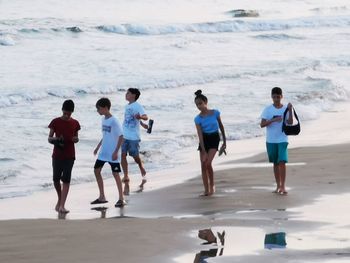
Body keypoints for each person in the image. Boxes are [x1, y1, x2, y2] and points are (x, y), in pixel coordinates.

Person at [91, 98, 126, 207]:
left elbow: (121, 137)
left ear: (105, 107)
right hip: (103, 152)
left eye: (99, 109)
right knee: (96, 171)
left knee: (115, 174)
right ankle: (102, 197)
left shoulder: (114, 120)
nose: (98, 111)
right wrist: (97, 147)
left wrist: (116, 151)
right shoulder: (103, 120)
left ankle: (121, 198)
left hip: (112, 153)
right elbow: (105, 135)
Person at [48, 99, 80, 214]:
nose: (67, 115)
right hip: (57, 155)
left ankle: (62, 205)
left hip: (69, 155)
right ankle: (60, 198)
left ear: (72, 112)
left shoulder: (75, 123)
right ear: (62, 110)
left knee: (66, 180)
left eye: (69, 113)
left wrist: (75, 139)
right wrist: (56, 139)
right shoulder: (55, 122)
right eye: (65, 112)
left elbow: (76, 138)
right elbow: (49, 138)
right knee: (56, 179)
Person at [260, 87, 293, 195]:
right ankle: (278, 186)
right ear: (271, 97)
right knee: (275, 163)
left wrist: (290, 110)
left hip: (282, 138)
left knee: (282, 161)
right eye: (274, 97)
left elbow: (290, 122)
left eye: (278, 97)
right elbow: (262, 124)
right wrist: (273, 120)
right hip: (271, 140)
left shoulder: (285, 109)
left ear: (281, 97)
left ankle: (283, 186)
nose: (276, 99)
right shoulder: (267, 109)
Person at [194, 90, 227, 196]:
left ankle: (212, 185)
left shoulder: (215, 113)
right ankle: (206, 189)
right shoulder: (197, 119)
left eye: (200, 103)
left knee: (208, 163)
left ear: (205, 102)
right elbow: (199, 134)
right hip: (204, 140)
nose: (199, 106)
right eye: (197, 105)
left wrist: (224, 142)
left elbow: (221, 127)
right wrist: (203, 148)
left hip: (214, 138)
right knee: (203, 165)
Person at [121, 88, 148, 194]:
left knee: (134, 155)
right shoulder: (127, 106)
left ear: (134, 95)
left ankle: (141, 166)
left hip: (134, 137)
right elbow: (133, 120)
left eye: (128, 93)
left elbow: (145, 117)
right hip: (124, 135)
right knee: (122, 154)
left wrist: (141, 117)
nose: (126, 94)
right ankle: (126, 175)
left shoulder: (138, 106)